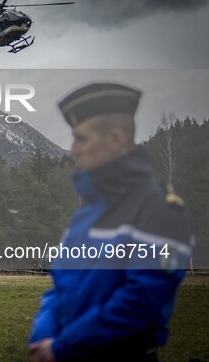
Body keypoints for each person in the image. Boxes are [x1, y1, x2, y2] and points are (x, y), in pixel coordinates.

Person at [28, 82, 194, 362]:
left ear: (115, 140)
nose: (74, 150)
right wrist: (42, 336)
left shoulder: (160, 212)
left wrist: (62, 347)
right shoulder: (84, 217)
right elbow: (59, 288)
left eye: (81, 139)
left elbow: (141, 302)